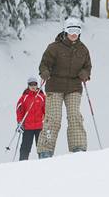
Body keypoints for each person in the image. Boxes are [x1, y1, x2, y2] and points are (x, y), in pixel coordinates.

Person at [36, 17, 92, 159]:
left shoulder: (83, 49)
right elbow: (44, 64)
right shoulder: (54, 47)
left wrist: (85, 73)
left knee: (74, 116)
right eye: (71, 30)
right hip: (54, 86)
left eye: (77, 31)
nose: (74, 34)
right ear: (65, 31)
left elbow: (87, 66)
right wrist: (44, 72)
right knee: (53, 118)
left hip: (74, 87)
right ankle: (45, 150)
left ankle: (78, 147)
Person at [15, 77, 46, 161]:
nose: (33, 86)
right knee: (25, 146)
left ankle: (44, 162)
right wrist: (19, 123)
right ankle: (22, 162)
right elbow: (19, 111)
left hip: (40, 127)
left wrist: (47, 123)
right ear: (28, 85)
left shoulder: (42, 97)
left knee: (42, 146)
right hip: (28, 127)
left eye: (35, 84)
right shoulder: (24, 98)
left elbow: (46, 111)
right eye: (31, 84)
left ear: (37, 85)